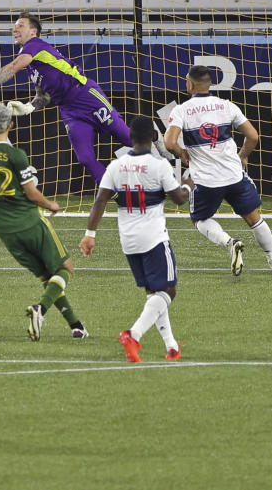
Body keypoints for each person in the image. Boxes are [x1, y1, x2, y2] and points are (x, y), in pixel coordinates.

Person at [0, 103, 88, 341]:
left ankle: (76, 326)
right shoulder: (16, 155)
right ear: (11, 125)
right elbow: (32, 193)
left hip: (5, 230)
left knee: (48, 278)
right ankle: (40, 309)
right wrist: (51, 205)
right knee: (66, 269)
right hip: (31, 222)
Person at [0, 12, 143, 185]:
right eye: (14, 27)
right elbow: (44, 96)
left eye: (20, 26)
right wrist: (29, 107)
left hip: (86, 96)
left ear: (33, 31)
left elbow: (14, 66)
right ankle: (114, 193)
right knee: (85, 158)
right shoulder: (33, 67)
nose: (14, 30)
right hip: (69, 110)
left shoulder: (34, 45)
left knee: (128, 139)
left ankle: (156, 140)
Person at [80, 116, 189, 362]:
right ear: (153, 137)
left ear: (130, 137)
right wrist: (188, 186)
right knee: (169, 292)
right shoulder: (158, 165)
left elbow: (100, 201)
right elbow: (179, 199)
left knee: (155, 293)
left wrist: (90, 235)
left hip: (128, 241)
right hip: (153, 238)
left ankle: (171, 346)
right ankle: (134, 334)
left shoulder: (115, 166)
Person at [164, 65, 272, 277]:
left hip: (206, 182)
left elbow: (169, 142)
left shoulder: (181, 110)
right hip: (234, 176)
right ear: (210, 84)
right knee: (254, 219)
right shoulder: (227, 106)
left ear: (190, 84)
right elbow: (253, 136)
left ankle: (230, 242)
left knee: (199, 220)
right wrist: (243, 155)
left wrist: (183, 154)